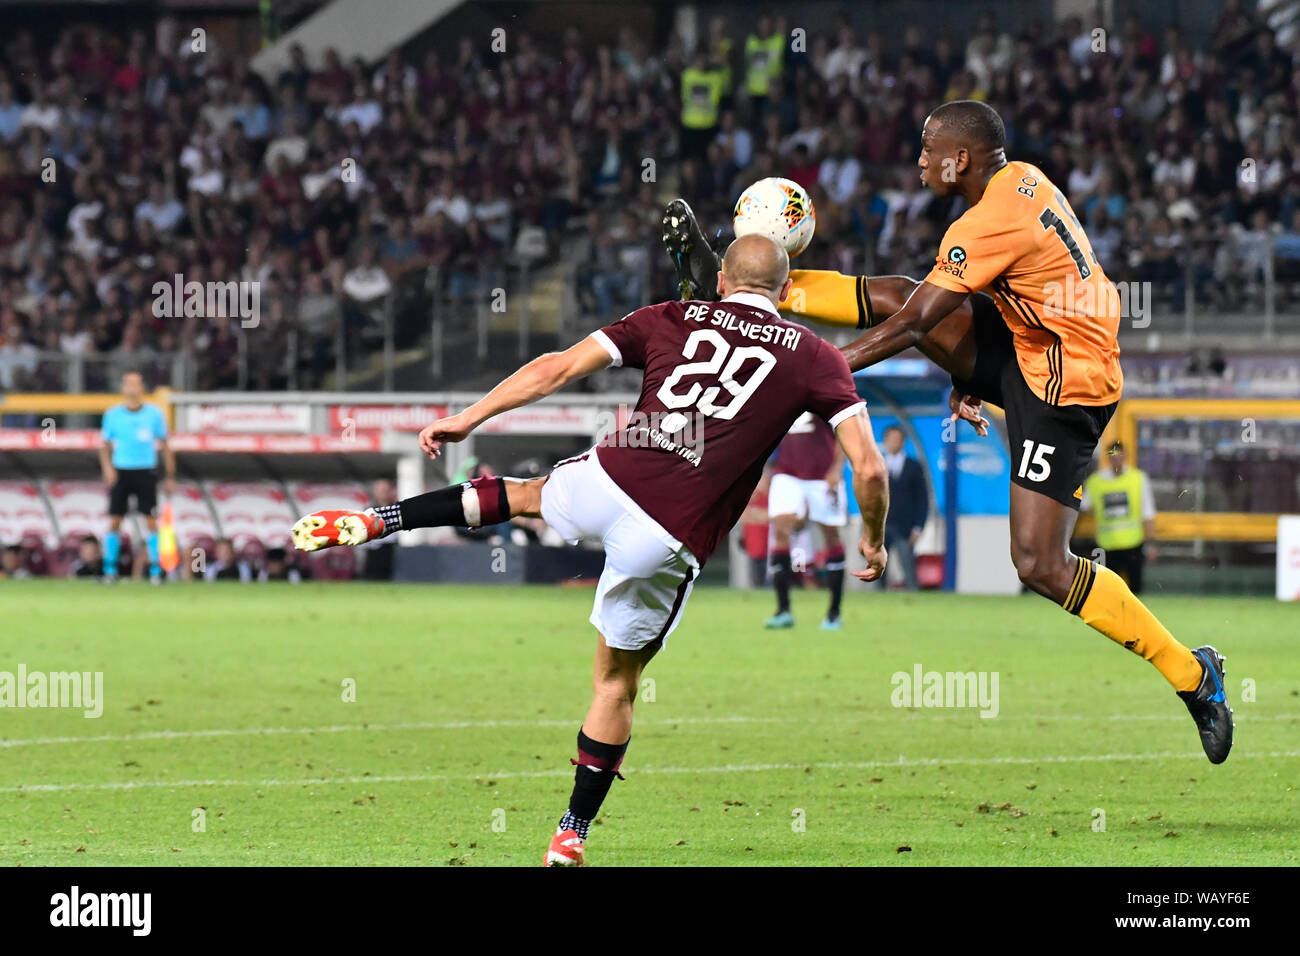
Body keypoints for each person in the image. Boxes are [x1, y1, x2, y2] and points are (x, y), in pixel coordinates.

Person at [661, 99, 1231, 764]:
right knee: (904, 291)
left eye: (929, 149)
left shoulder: (986, 223)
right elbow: (986, 297)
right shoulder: (1022, 180)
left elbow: (911, 329)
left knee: (1039, 564)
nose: (921, 160)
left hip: (1065, 392)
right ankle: (731, 284)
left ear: (959, 160)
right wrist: (970, 372)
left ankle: (1195, 676)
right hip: (1033, 346)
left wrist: (816, 375)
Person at [290, 234, 889, 865]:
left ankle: (382, 518)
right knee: (614, 686)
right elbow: (870, 470)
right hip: (668, 531)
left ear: (719, 282)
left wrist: (469, 417)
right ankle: (570, 833)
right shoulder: (820, 358)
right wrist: (872, 539)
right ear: (786, 290)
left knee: (521, 495)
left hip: (611, 477)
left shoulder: (669, 315)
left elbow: (555, 367)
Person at [765, 413, 848, 629]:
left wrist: (837, 469)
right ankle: (783, 610)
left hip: (822, 476)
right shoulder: (780, 392)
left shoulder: (825, 389)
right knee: (780, 532)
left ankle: (834, 612)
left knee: (831, 535)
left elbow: (845, 430)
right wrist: (765, 473)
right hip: (787, 474)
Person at [99, 371, 175, 583]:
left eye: (137, 384)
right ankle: (110, 571)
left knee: (151, 520)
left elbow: (166, 446)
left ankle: (156, 571)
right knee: (115, 520)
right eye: (128, 384)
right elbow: (104, 446)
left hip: (145, 471)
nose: (133, 388)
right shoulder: (113, 415)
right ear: (123, 388)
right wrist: (107, 468)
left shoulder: (154, 414)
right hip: (121, 471)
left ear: (142, 387)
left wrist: (170, 476)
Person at [1082, 441, 1156, 594]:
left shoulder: (1138, 478)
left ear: (1125, 456)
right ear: (1108, 458)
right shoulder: (1096, 482)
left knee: (1135, 590)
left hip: (1133, 544)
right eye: (1113, 455)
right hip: (1106, 545)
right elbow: (1082, 508)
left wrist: (1151, 544)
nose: (1117, 459)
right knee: (1108, 591)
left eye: (1119, 455)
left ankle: (1132, 617)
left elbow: (1148, 513)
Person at [880, 425, 929, 591]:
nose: (894, 443)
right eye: (891, 439)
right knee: (878, 568)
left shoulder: (914, 466)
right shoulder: (876, 464)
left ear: (903, 442)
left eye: (897, 439)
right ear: (885, 441)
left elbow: (922, 499)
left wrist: (918, 526)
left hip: (904, 526)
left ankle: (914, 596)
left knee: (908, 566)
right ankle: (879, 600)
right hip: (880, 525)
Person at [361, 478, 399, 580]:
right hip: (373, 554)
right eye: (380, 490)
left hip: (391, 553)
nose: (383, 493)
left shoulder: (397, 508)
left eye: (385, 490)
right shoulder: (369, 510)